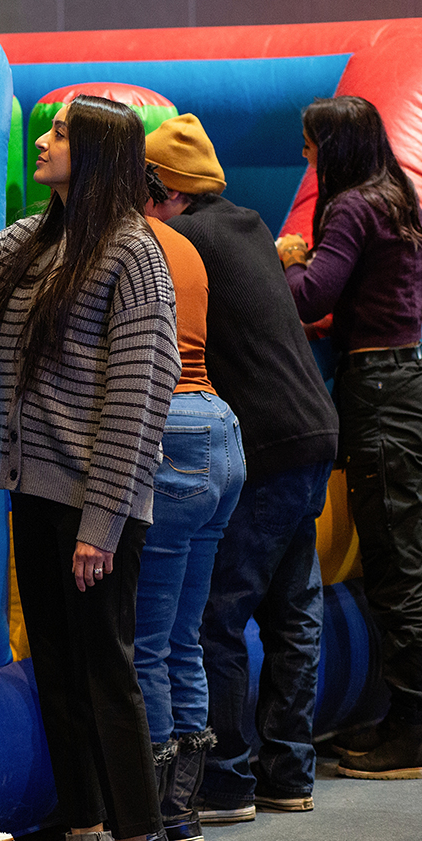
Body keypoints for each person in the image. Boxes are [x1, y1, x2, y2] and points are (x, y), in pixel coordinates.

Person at [0, 94, 179, 841]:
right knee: (54, 664)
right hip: (36, 496)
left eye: (58, 134)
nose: (42, 142)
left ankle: (139, 828)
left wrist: (102, 523)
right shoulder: (33, 242)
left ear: (98, 156)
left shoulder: (135, 252)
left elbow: (138, 397)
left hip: (95, 509)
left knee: (106, 672)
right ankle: (83, 821)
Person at [144, 113, 338, 823]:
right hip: (313, 431)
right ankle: (289, 770)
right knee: (294, 614)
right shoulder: (248, 225)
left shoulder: (181, 239)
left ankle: (225, 780)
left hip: (263, 445)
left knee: (216, 621)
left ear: (164, 191)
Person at [277, 95, 422, 780]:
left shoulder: (352, 206)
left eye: (310, 149)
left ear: (332, 148)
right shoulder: (395, 196)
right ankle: (405, 715)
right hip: (406, 377)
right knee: (404, 556)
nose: (307, 161)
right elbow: (380, 295)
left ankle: (414, 727)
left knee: (397, 561)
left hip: (382, 393)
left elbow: (315, 292)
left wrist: (275, 267)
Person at [134, 164, 246, 841]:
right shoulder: (183, 242)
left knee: (147, 641)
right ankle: (182, 811)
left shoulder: (128, 243)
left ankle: (152, 809)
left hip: (173, 430)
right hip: (220, 429)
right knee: (183, 636)